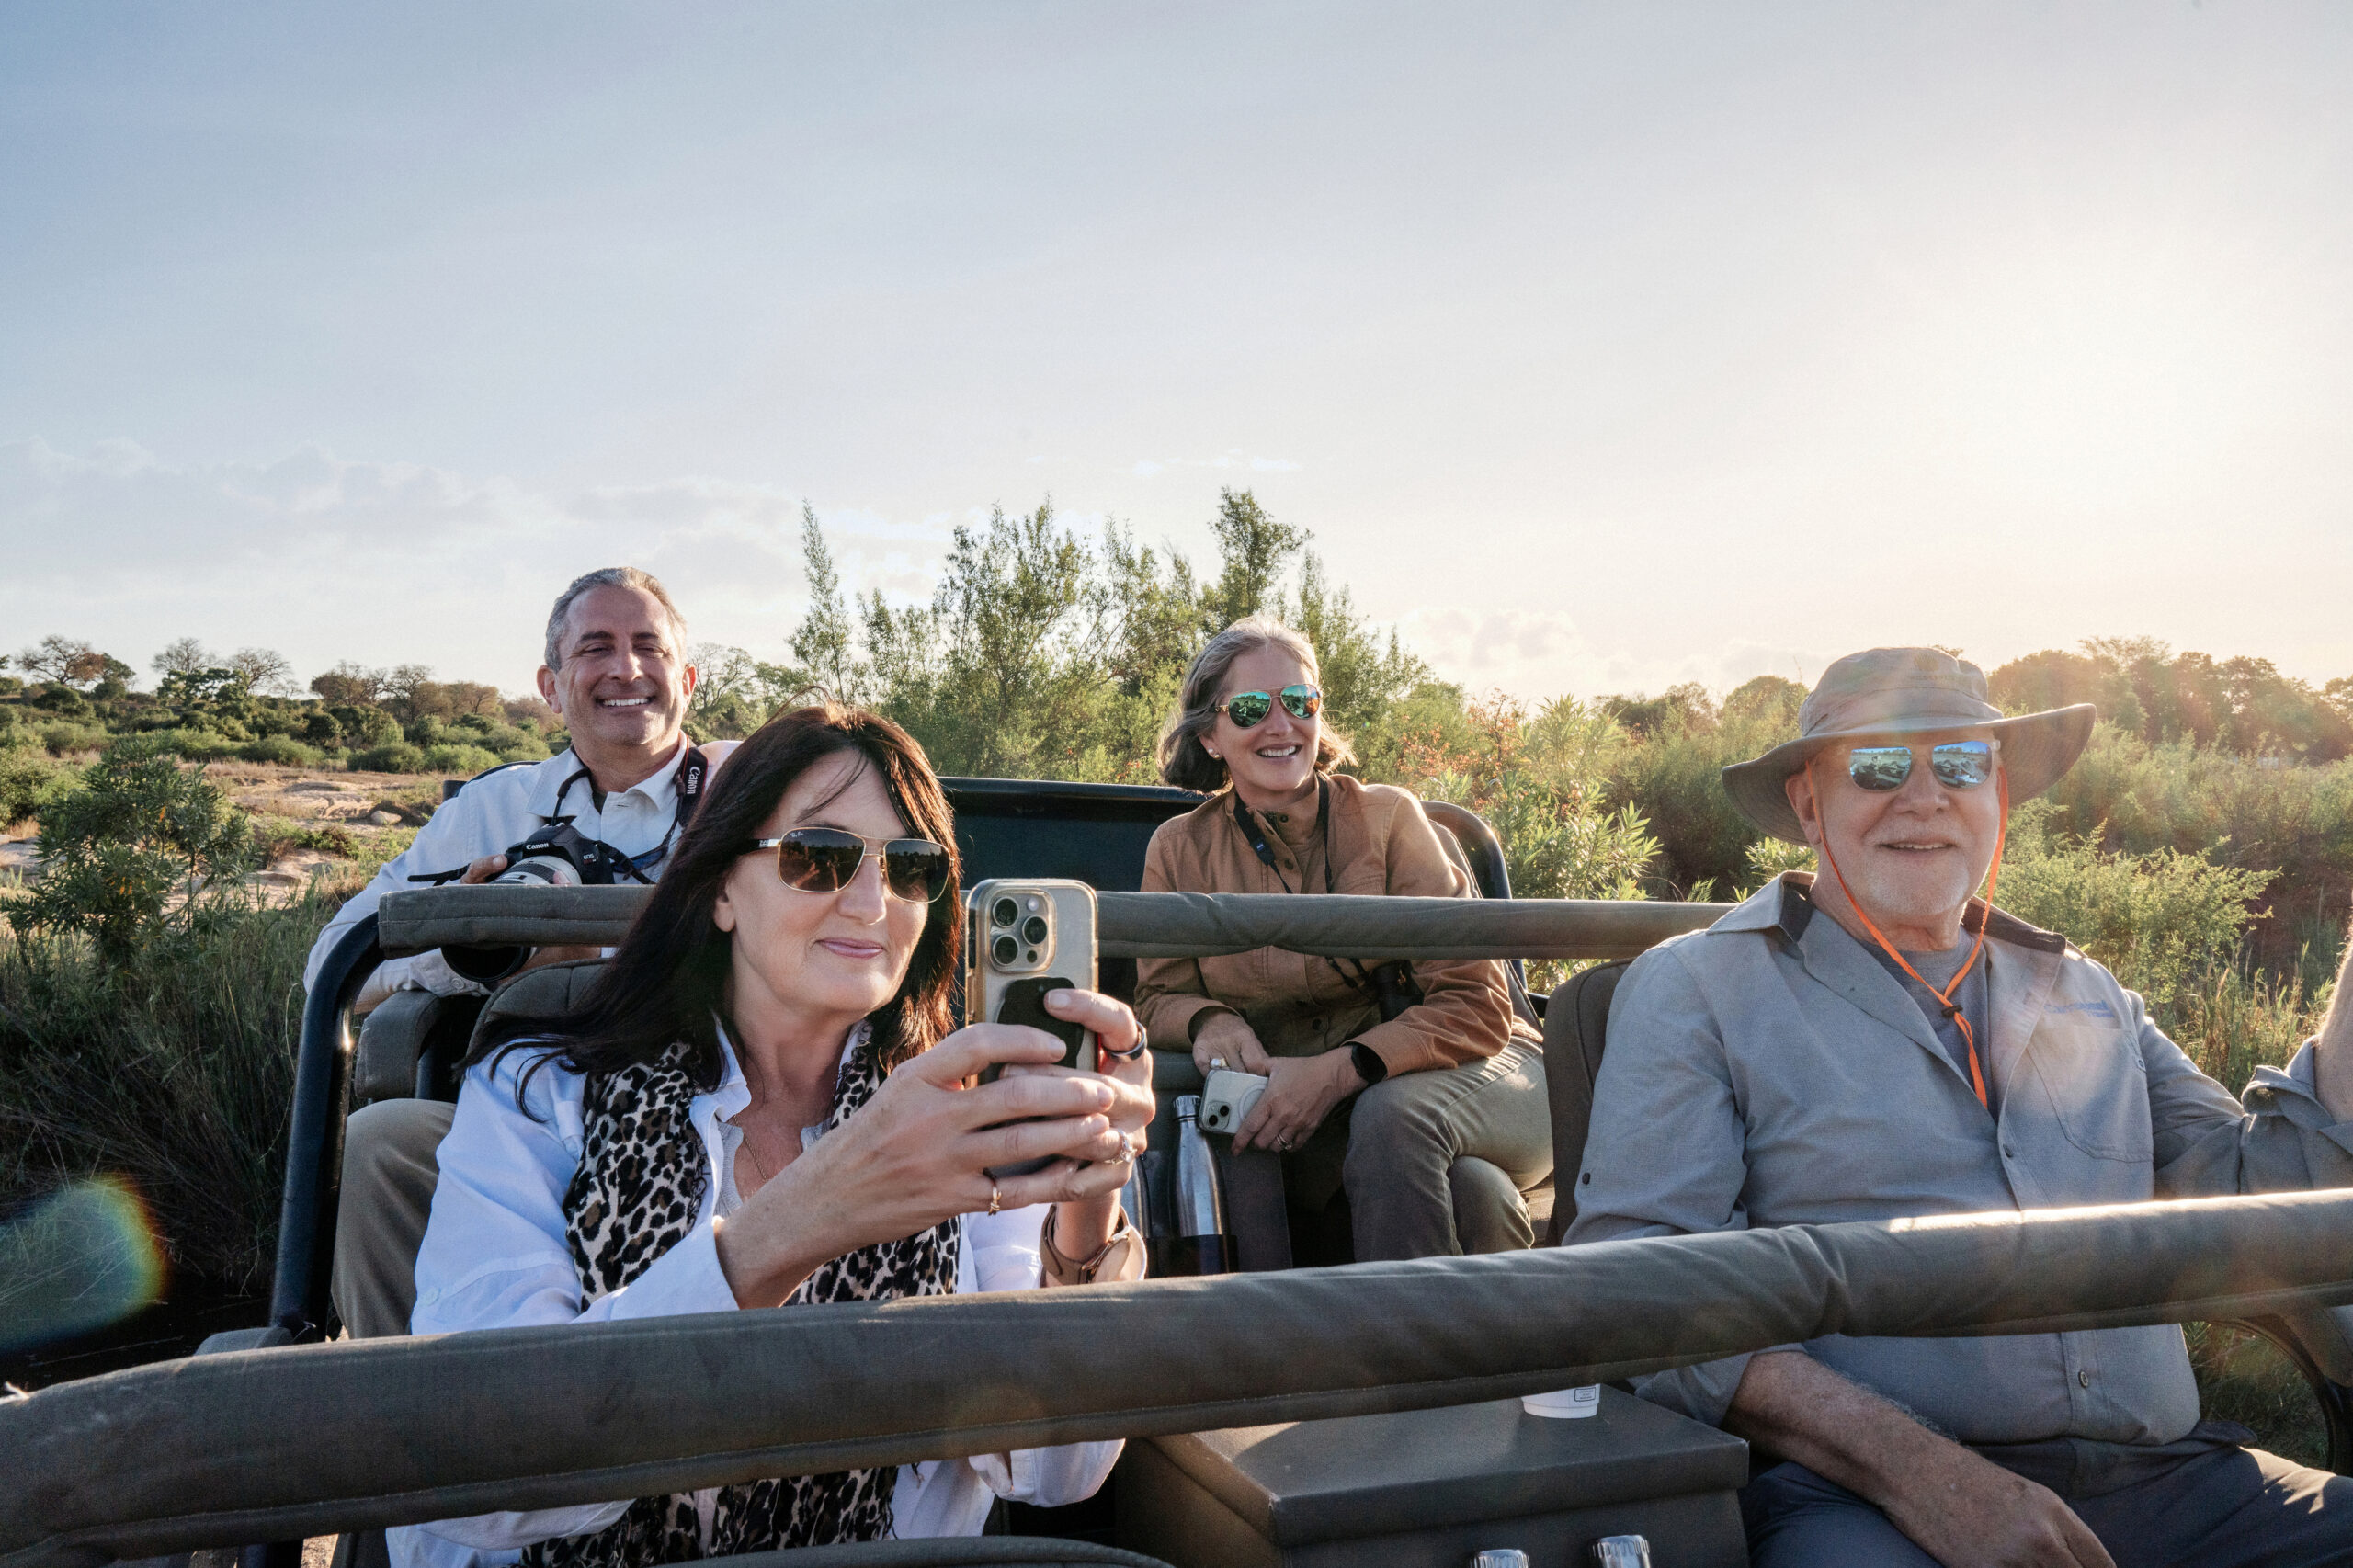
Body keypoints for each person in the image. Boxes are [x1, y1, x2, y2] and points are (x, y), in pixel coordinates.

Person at [1566, 646, 2353, 1567]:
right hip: (1866, 1497)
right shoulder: (1699, 988)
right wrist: (1926, 1474)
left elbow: (2278, 1190)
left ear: (1998, 795)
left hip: (2169, 1483)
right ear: (1809, 803)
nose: (1923, 794)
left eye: (1962, 762)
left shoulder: (2089, 989)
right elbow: (1645, 1286)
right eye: (1879, 764)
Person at [393, 703, 1154, 1568]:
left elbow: (1057, 1471)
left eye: (909, 866)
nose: (871, 902)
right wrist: (812, 1213)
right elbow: (485, 1468)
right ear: (719, 887)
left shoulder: (963, 1114)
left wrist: (1086, 1207)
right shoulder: (542, 1092)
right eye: (819, 858)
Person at [322, 566, 737, 1340]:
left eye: (648, 647)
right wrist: (476, 946)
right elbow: (333, 960)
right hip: (532, 1112)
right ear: (550, 685)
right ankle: (411, 1420)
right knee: (377, 1146)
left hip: (721, 1102)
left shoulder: (745, 788)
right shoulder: (493, 807)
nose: (625, 670)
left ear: (686, 678)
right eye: (596, 648)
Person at [1133, 615, 1550, 1261]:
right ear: (1211, 736)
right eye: (1249, 709)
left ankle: (1396, 1356)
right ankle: (1278, 1349)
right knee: (1474, 1194)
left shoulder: (1389, 819)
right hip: (1313, 1113)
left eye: (1299, 702)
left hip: (1476, 1071)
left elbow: (1479, 1005)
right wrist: (1208, 1021)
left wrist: (1341, 1069)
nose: (1281, 726)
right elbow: (1157, 996)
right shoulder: (1180, 848)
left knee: (1394, 1117)